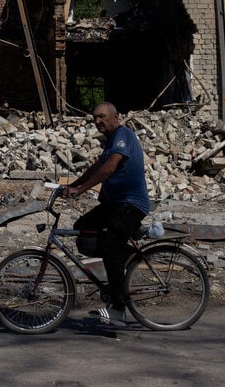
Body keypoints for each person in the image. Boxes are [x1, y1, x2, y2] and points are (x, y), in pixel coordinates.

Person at [62, 102, 150, 327]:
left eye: (102, 116)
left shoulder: (123, 135)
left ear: (116, 116)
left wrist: (81, 190)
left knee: (111, 246)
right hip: (115, 204)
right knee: (83, 229)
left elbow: (110, 167)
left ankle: (118, 310)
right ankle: (125, 255)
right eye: (94, 118)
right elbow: (96, 167)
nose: (98, 121)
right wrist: (72, 185)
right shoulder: (110, 141)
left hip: (130, 205)